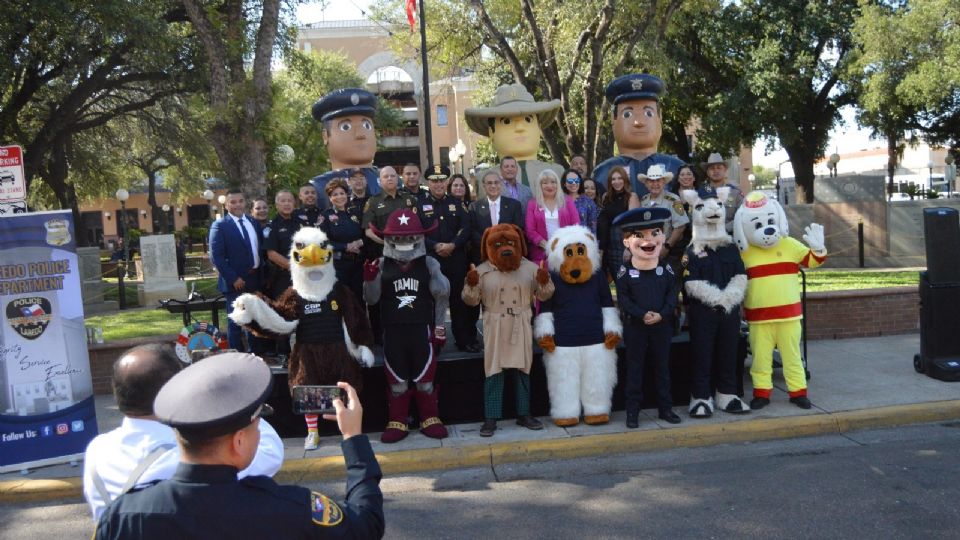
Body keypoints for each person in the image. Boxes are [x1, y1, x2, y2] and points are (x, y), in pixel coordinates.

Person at [93, 353, 384, 539]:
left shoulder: (121, 516)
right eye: (257, 426)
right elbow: (365, 525)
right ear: (239, 441)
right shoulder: (288, 508)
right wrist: (354, 439)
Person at [83, 344, 282, 521]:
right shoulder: (187, 455)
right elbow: (269, 452)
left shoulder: (97, 449)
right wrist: (226, 395)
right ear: (173, 391)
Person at [463, 224, 554, 437]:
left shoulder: (529, 267)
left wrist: (544, 281)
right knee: (494, 371)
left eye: (511, 243)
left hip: (520, 322)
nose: (505, 248)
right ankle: (491, 418)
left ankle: (524, 414)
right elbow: (471, 300)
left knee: (523, 370)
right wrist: (471, 284)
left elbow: (544, 296)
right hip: (495, 324)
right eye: (499, 244)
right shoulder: (482, 270)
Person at [613, 207, 681, 428]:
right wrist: (643, 315)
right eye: (640, 236)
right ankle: (632, 413)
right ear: (627, 241)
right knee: (635, 370)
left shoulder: (666, 268)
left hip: (661, 326)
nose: (648, 240)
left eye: (654, 233)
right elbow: (623, 298)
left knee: (663, 369)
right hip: (636, 327)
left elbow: (673, 294)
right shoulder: (624, 270)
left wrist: (661, 314)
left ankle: (665, 409)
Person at [592, 73, 685, 197]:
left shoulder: (676, 168)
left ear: (660, 117)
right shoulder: (603, 172)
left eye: (648, 113)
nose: (638, 122)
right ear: (613, 120)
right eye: (627, 115)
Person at [419, 165, 479, 353]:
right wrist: (435, 246)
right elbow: (417, 232)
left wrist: (453, 244)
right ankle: (432, 343)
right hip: (431, 259)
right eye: (434, 180)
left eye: (441, 180)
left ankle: (463, 340)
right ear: (428, 182)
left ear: (446, 182)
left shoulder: (457, 203)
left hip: (456, 258)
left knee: (458, 302)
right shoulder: (418, 205)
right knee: (430, 302)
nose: (438, 184)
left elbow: (466, 227)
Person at [464, 83, 564, 190]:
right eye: (506, 121)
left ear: (538, 128)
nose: (519, 127)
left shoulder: (557, 173)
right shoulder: (484, 179)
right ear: (491, 132)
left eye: (528, 119)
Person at [309, 87, 382, 209]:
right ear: (325, 136)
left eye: (366, 125)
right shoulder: (318, 186)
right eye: (346, 127)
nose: (360, 134)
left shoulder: (387, 178)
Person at [208, 188, 263, 350]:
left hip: (255, 280)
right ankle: (237, 356)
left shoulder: (253, 222)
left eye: (240, 201)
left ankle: (256, 355)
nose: (237, 205)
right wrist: (233, 278)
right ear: (226, 205)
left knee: (254, 320)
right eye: (233, 202)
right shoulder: (220, 226)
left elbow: (259, 250)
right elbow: (216, 257)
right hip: (235, 283)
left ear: (245, 202)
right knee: (236, 321)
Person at [321, 179, 365, 303]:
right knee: (341, 301)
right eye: (335, 194)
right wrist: (345, 246)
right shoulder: (325, 216)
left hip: (358, 266)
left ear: (347, 195)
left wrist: (360, 243)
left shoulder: (355, 213)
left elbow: (366, 233)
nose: (339, 197)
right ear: (330, 198)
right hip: (338, 266)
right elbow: (322, 243)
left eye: (342, 193)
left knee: (358, 301)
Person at [526, 169, 580, 266]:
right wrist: (548, 247)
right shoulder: (532, 204)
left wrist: (562, 246)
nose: (550, 186)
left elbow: (576, 225)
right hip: (541, 254)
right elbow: (530, 230)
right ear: (540, 186)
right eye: (545, 183)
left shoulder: (567, 201)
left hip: (566, 252)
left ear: (557, 184)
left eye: (553, 182)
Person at [468, 171, 525, 264]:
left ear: (501, 184)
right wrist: (489, 245)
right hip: (483, 256)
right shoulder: (474, 207)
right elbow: (472, 231)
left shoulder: (514, 205)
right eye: (489, 183)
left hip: (508, 255)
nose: (493, 186)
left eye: (496, 182)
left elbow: (518, 228)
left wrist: (502, 246)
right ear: (484, 186)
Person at [638, 164, 689, 266]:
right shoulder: (643, 201)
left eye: (658, 180)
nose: (655, 184)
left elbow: (680, 227)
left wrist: (667, 247)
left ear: (664, 182)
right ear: (646, 184)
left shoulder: (673, 200)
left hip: (669, 253)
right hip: (647, 251)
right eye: (651, 181)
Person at [596, 166, 640, 279]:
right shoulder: (606, 197)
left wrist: (629, 248)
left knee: (629, 280)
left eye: (620, 178)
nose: (616, 182)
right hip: (609, 246)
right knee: (616, 278)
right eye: (613, 179)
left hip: (624, 245)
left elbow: (635, 225)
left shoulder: (632, 197)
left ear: (625, 179)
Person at [263, 190, 299, 300]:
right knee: (286, 312)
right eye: (283, 201)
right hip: (283, 277)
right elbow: (271, 254)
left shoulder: (300, 223)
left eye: (289, 201)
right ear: (277, 205)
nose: (287, 204)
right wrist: (294, 267)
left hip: (304, 276)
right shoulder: (272, 226)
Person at [699, 153, 744, 234]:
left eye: (719, 168)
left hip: (730, 236)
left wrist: (724, 229)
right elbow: (696, 217)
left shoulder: (735, 193)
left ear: (725, 171)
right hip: (706, 236)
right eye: (712, 168)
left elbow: (743, 215)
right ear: (708, 173)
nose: (716, 171)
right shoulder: (701, 194)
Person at [668, 163, 701, 260]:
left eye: (689, 174)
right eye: (682, 175)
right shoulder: (670, 196)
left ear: (694, 178)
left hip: (697, 240)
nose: (685, 177)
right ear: (678, 179)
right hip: (676, 241)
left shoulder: (702, 195)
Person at [562, 168, 599, 234]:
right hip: (563, 239)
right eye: (570, 180)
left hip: (582, 240)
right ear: (564, 183)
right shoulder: (559, 201)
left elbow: (593, 227)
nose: (574, 183)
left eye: (576, 180)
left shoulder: (589, 202)